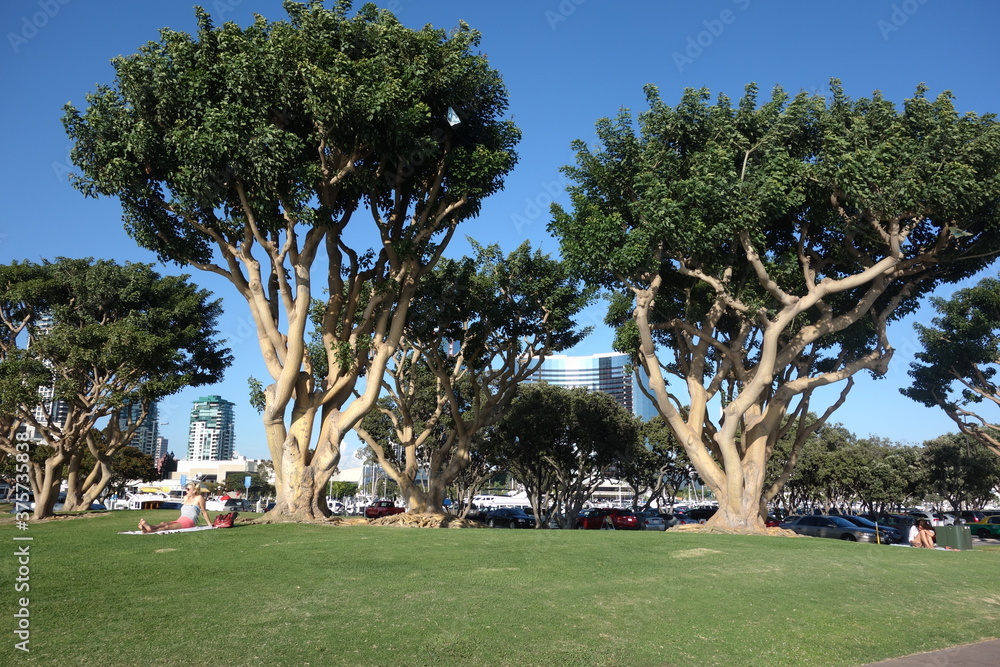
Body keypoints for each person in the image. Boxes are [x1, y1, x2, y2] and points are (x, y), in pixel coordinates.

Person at [139, 482, 213, 533]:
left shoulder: (199, 498)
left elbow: (204, 512)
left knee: (168, 527)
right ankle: (149, 527)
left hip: (189, 522)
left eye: (188, 489)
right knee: (164, 523)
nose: (186, 490)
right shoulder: (185, 498)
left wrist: (210, 525)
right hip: (180, 520)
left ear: (194, 491)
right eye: (186, 488)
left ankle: (150, 529)